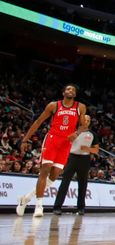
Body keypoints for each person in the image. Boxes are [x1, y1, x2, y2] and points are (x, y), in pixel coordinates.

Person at [17, 84, 86, 217]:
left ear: (75, 94)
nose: (70, 90)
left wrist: (76, 133)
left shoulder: (80, 107)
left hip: (66, 143)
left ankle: (25, 198)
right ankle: (39, 206)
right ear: (63, 92)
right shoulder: (53, 105)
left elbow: (83, 125)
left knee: (54, 175)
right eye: (68, 89)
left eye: (73, 90)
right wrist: (25, 140)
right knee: (45, 169)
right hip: (53, 139)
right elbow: (38, 122)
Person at [52, 114, 100, 215]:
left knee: (83, 184)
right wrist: (78, 132)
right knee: (65, 182)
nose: (86, 121)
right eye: (84, 119)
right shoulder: (73, 130)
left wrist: (87, 149)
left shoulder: (92, 134)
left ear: (89, 122)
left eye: (88, 120)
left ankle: (81, 208)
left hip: (84, 159)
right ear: (80, 120)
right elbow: (67, 140)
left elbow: (96, 150)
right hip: (71, 157)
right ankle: (57, 207)